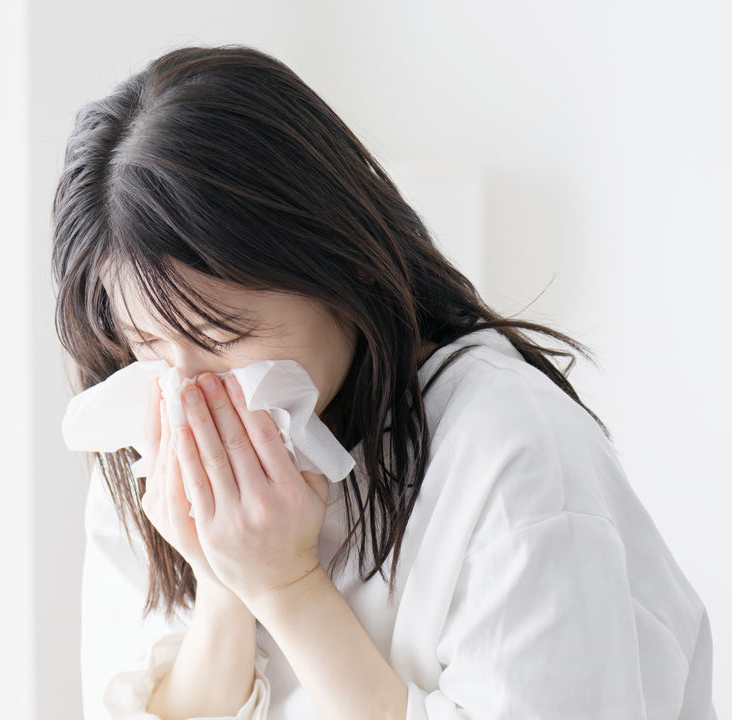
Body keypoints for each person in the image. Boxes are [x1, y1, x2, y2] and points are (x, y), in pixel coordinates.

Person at [50, 44, 716, 720]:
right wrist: (225, 582)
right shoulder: (152, 444)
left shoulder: (513, 453)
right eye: (149, 346)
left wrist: (285, 587)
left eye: (222, 334)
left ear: (344, 269)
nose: (189, 394)